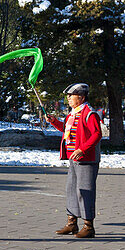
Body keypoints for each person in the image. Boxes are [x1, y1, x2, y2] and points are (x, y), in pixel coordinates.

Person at [46, 83, 102, 239]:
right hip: (74, 159)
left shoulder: (90, 113)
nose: (68, 98)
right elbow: (67, 130)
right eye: (68, 96)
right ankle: (72, 223)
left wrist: (82, 149)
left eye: (72, 95)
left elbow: (97, 134)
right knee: (71, 190)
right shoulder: (72, 114)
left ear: (82, 97)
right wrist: (53, 121)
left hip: (86, 160)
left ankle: (88, 226)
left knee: (85, 191)